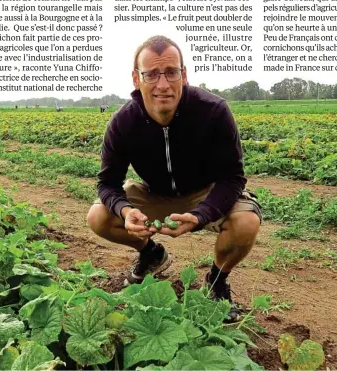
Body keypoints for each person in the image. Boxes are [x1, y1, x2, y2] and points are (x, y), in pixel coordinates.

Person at [86, 35, 262, 322]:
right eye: (152, 74)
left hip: (206, 192)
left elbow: (233, 177)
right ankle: (152, 254)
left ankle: (217, 281)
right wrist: (126, 210)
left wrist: (201, 214)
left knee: (246, 222)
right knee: (98, 217)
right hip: (155, 194)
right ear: (136, 78)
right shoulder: (123, 122)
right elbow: (107, 183)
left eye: (171, 72)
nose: (163, 84)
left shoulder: (214, 111)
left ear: (184, 74)